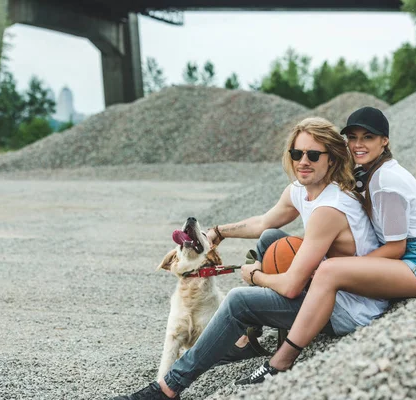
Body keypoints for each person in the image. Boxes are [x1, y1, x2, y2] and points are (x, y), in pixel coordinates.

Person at [111, 117, 387, 400]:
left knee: (238, 301)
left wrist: (254, 275)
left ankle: (167, 388)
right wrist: (220, 231)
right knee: (272, 239)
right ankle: (251, 336)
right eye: (297, 153)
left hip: (348, 308)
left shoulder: (330, 208)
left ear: (332, 159)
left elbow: (292, 286)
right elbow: (264, 222)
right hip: (327, 289)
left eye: (313, 155)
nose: (303, 161)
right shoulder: (303, 190)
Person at [238, 106, 416, 384]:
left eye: (368, 137)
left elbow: (396, 248)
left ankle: (280, 363)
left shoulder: (386, 180)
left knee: (328, 271)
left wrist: (339, 268)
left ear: (384, 140)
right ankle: (260, 329)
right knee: (290, 250)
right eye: (352, 137)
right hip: (410, 255)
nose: (358, 145)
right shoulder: (369, 171)